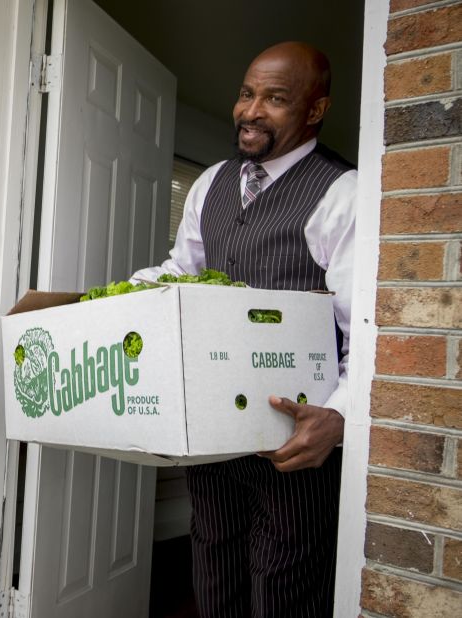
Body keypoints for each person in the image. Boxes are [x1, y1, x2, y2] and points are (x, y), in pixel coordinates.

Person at [132, 42, 356, 617]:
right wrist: (116, 299)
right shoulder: (210, 183)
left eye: (276, 99)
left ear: (315, 109)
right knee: (214, 564)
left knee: (285, 583)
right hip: (213, 430)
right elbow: (182, 273)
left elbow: (366, 326)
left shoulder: (343, 192)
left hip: (292, 439)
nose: (251, 111)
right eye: (246, 93)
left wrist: (341, 416)